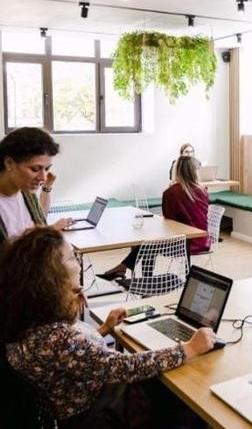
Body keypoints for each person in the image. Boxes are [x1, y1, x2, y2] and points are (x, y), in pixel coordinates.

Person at [0, 226, 213, 429]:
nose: (78, 262)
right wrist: (188, 349)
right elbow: (124, 367)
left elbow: (72, 356)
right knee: (188, 396)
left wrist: (103, 329)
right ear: (52, 275)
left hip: (82, 403)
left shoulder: (32, 318)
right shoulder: (58, 337)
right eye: (72, 257)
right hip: (98, 415)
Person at [100, 156, 209, 281]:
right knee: (150, 243)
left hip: (183, 243)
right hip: (201, 240)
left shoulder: (170, 192)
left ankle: (141, 279)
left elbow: (168, 221)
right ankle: (126, 269)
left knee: (149, 244)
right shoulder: (203, 190)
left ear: (177, 170)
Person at [0, 127, 73, 247]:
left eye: (47, 169)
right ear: (9, 163)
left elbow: (39, 233)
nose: (43, 177)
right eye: (35, 169)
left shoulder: (27, 194)